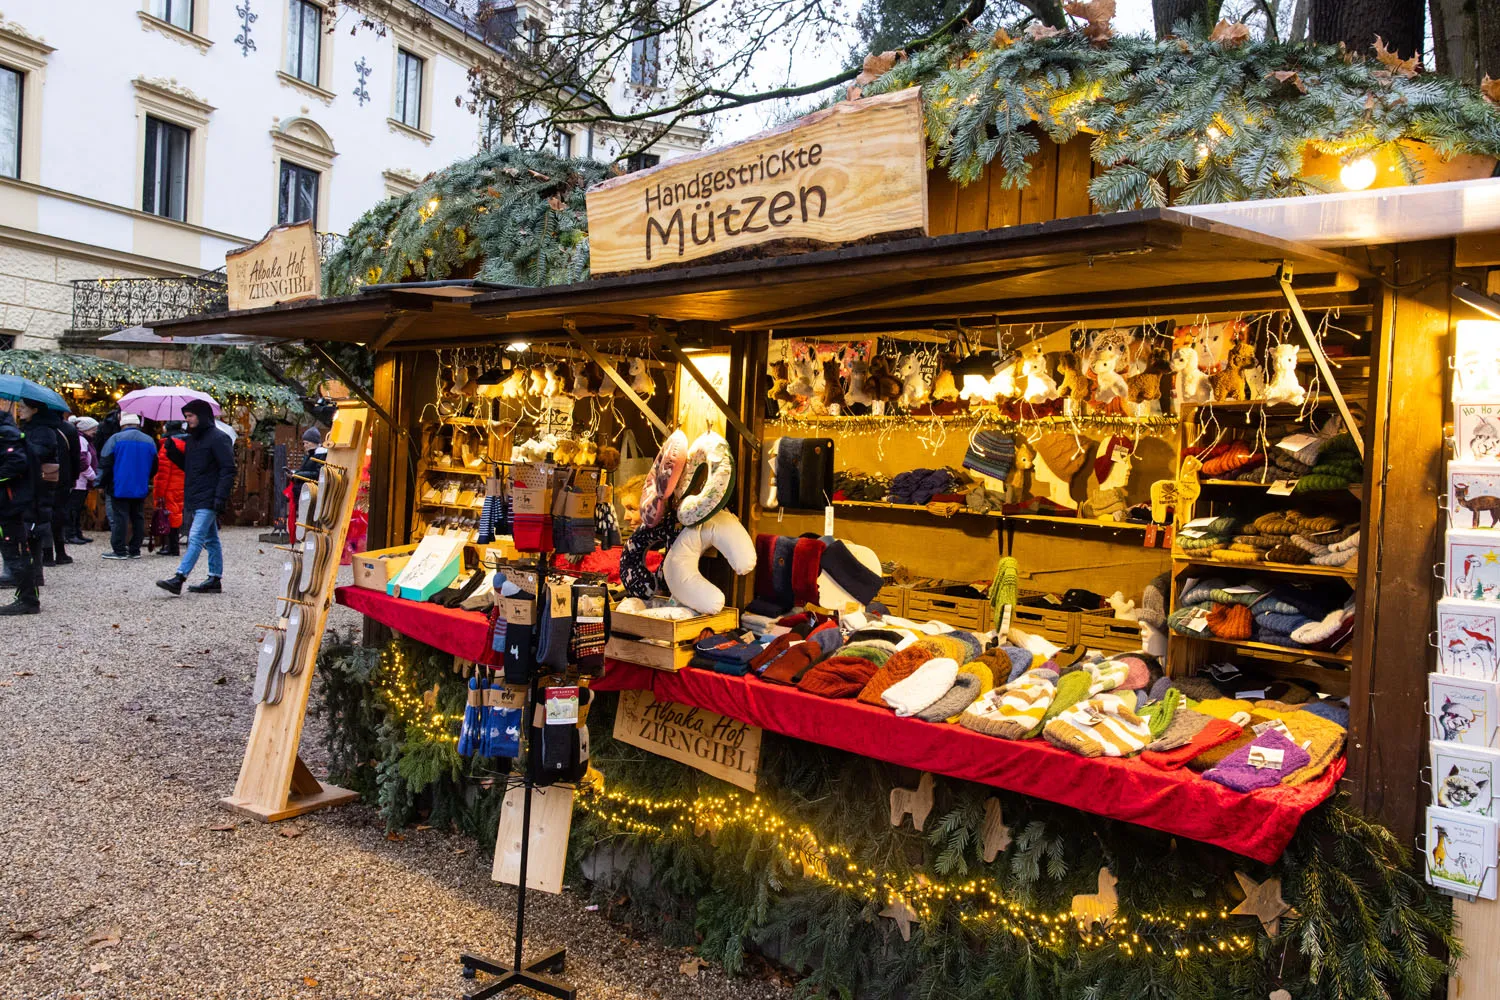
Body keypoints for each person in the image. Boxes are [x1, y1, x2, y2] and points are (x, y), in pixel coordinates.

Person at [157, 399, 234, 595]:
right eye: (186, 417)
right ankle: (215, 578)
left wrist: (220, 496)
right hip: (197, 494)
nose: (187, 420)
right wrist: (174, 454)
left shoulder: (218, 438)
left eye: (191, 416)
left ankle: (179, 577)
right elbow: (191, 468)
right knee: (211, 539)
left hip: (209, 496)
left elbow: (228, 469)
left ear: (201, 416)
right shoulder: (193, 440)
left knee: (196, 536)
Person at [23, 397, 76, 567]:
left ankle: (47, 555)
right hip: (60, 476)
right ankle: (58, 552)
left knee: (43, 515)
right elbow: (75, 457)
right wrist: (73, 478)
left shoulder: (40, 430)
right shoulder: (66, 429)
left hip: (46, 477)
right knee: (55, 515)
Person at [98, 413, 157, 560]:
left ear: (123, 424)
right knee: (138, 517)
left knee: (120, 517)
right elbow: (155, 465)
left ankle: (119, 550)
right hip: (140, 485)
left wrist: (101, 483)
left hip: (119, 485)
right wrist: (145, 477)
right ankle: (134, 549)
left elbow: (105, 463)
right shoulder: (149, 440)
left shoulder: (115, 439)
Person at [0, 402, 39, 614]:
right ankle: (26, 597)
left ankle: (27, 599)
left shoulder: (8, 437)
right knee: (15, 550)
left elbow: (16, 463)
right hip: (10, 503)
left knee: (15, 551)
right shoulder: (10, 434)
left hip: (10, 504)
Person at [154, 422, 186, 557]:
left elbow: (163, 472)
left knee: (169, 515)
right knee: (176, 513)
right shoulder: (186, 443)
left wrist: (159, 493)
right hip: (181, 485)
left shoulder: (167, 446)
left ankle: (171, 547)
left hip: (169, 487)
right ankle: (173, 545)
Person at [66, 416, 99, 545]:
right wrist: (92, 476)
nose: (95, 432)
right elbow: (82, 461)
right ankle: (71, 533)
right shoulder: (81, 440)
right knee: (73, 509)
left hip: (82, 481)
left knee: (77, 509)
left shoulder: (84, 440)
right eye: (93, 430)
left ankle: (76, 532)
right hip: (79, 481)